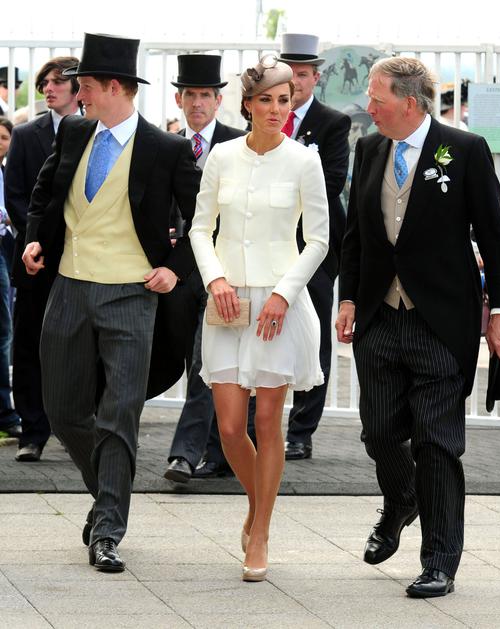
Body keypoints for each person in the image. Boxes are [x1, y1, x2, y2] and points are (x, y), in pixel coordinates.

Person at [22, 33, 200, 572]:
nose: (78, 96)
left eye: (86, 87)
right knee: (62, 409)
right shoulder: (75, 133)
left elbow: (203, 220)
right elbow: (45, 194)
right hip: (69, 288)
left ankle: (107, 530)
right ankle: (107, 491)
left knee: (120, 413)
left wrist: (175, 269)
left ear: (116, 88)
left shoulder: (165, 149)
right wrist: (35, 239)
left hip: (132, 295)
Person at [336, 56, 500, 598]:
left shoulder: (465, 150)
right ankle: (401, 499)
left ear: (409, 103)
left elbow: (494, 235)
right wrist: (349, 298)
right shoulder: (369, 149)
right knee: (379, 431)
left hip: (441, 321)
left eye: (377, 98)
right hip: (380, 318)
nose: (369, 107)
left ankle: (439, 561)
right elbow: (357, 233)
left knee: (437, 444)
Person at [189, 55, 329, 581]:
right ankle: (257, 504)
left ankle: (261, 531)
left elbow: (319, 240)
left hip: (277, 306)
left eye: (284, 100)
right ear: (247, 104)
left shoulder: (304, 161)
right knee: (229, 427)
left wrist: (283, 295)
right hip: (226, 303)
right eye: (265, 100)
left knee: (268, 421)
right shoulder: (222, 156)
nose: (275, 109)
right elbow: (200, 228)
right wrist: (215, 279)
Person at [164, 54, 246, 484]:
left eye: (205, 95)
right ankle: (223, 450)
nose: (197, 103)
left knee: (205, 359)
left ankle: (184, 454)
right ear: (178, 100)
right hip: (177, 271)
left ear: (218, 101)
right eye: (190, 94)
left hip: (224, 270)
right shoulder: (163, 145)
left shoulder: (239, 145)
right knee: (192, 359)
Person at [278, 33, 351, 461]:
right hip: (270, 241)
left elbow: (333, 181)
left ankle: (301, 430)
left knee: (313, 333)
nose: (295, 82)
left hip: (314, 242)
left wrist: (279, 192)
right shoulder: (265, 116)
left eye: (302, 74)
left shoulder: (332, 123)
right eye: (289, 73)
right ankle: (256, 422)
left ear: (316, 78)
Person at [5, 56, 81, 462]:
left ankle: (76, 430)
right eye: (44, 83)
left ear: (77, 88)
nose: (48, 89)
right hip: (34, 260)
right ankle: (33, 433)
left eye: (56, 82)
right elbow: (16, 195)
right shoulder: (24, 134)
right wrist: (39, 241)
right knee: (29, 346)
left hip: (84, 259)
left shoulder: (97, 132)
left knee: (81, 348)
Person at [0, 116, 20, 439]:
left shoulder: (7, 171)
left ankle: (4, 411)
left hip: (6, 247)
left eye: (4, 138)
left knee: (5, 331)